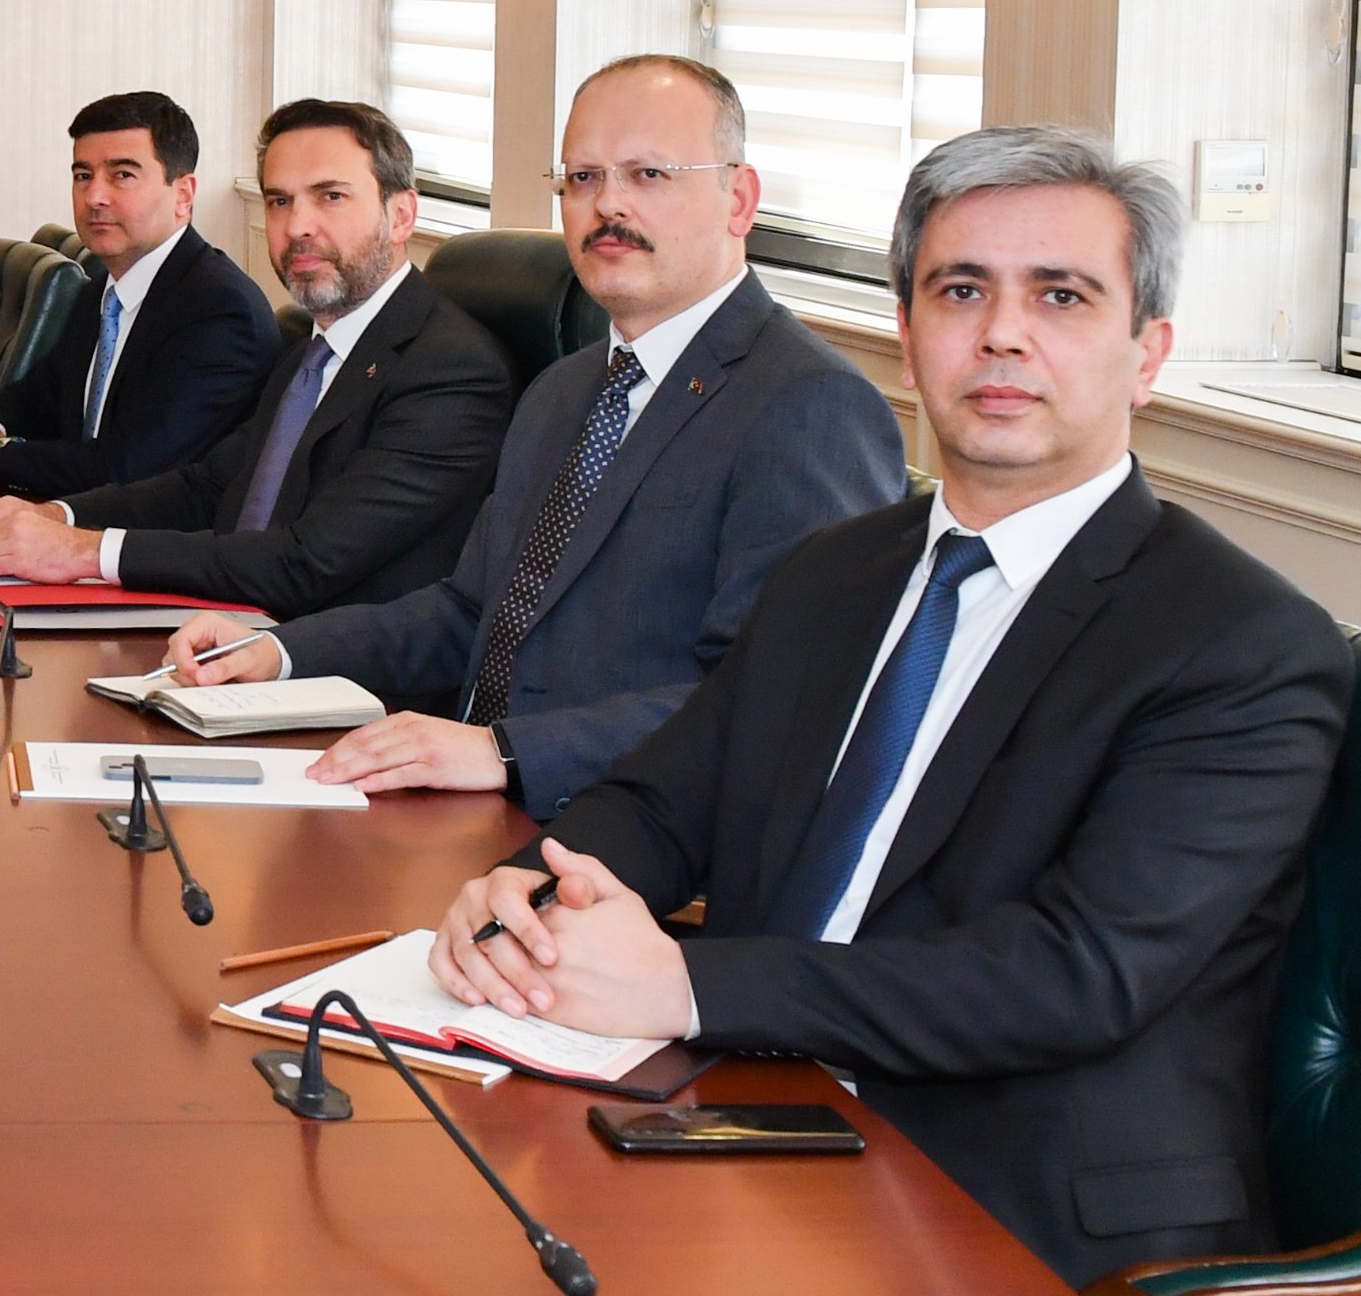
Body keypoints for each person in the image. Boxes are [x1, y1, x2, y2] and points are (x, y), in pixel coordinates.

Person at [424, 127, 1355, 1296]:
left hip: (1034, 1239)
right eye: (959, 291)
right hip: (757, 1132)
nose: (1002, 335)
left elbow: (1073, 974)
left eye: (1061, 295)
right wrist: (531, 883)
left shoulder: (1239, 645)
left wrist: (682, 982)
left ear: (1147, 351)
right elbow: (665, 798)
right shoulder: (836, 574)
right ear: (907, 337)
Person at [154, 57, 904, 812]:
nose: (607, 204)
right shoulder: (564, 389)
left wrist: (504, 752)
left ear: (738, 199)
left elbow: (768, 700)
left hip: (623, 834)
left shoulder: (810, 405)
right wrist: (278, 650)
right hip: (470, 802)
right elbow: (468, 611)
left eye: (648, 174)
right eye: (582, 178)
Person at [0, 99, 512, 611]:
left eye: (331, 196)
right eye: (280, 201)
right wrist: (58, 514)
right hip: (228, 628)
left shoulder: (450, 372)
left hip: (328, 664)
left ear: (402, 215)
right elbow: (207, 486)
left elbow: (307, 561)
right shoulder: (312, 355)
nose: (298, 227)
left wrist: (85, 552)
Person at [0, 90, 279, 500]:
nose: (94, 197)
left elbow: (129, 468)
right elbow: (40, 394)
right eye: (83, 176)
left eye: (122, 175)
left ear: (183, 195)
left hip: (149, 533)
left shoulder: (219, 312)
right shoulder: (104, 288)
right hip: (80, 515)